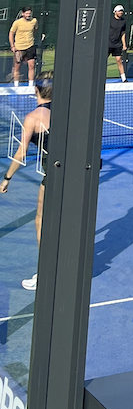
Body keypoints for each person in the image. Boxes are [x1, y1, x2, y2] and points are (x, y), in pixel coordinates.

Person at [0, 71, 53, 290]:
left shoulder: (33, 117)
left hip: (53, 176)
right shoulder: (66, 111)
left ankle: (47, 273)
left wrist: (6, 178)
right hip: (74, 175)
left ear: (36, 90)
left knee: (41, 222)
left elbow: (21, 153)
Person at [9, 6, 38, 88]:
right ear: (23, 14)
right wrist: (12, 46)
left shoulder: (34, 21)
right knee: (17, 67)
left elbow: (35, 30)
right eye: (27, 13)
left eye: (30, 13)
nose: (28, 15)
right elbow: (11, 33)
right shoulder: (17, 23)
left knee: (32, 65)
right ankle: (16, 86)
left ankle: (30, 85)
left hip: (30, 47)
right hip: (19, 48)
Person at [109, 5, 128, 82]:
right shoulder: (110, 20)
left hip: (117, 44)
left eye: (121, 11)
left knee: (119, 60)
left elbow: (123, 33)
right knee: (103, 61)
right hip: (108, 44)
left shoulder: (123, 21)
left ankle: (124, 79)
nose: (120, 12)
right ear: (115, 12)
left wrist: (124, 44)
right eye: (119, 11)